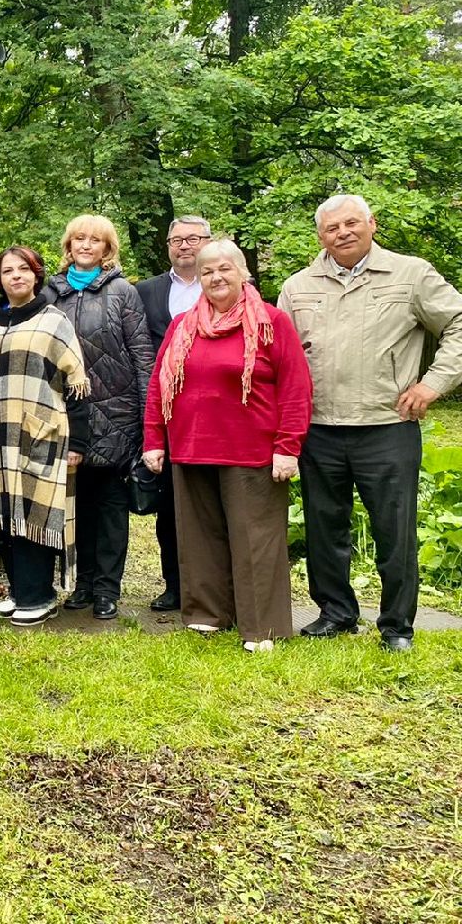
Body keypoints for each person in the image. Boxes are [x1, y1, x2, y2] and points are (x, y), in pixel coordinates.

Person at [279, 194, 462, 652]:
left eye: (350, 223)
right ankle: (336, 613)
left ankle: (397, 625)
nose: (342, 233)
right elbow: (278, 355)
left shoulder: (411, 275)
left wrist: (433, 384)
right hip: (319, 427)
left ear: (371, 223)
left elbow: (458, 321)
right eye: (331, 228)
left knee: (393, 529)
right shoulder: (298, 287)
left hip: (387, 424)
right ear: (319, 236)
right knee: (324, 526)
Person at [143, 240, 312, 651]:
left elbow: (296, 388)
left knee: (256, 541)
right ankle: (207, 613)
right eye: (207, 272)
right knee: (198, 537)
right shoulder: (182, 325)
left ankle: (262, 627)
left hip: (251, 451)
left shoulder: (271, 322)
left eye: (224, 269)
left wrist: (288, 446)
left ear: (243, 273)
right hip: (190, 447)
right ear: (198, 279)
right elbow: (158, 384)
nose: (216, 278)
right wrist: (154, 440)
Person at [0, 246, 91, 627]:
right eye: (7, 271)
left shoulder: (54, 321)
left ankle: (40, 595)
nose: (15, 276)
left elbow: (77, 385)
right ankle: (17, 591)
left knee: (34, 511)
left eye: (23, 270)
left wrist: (78, 444)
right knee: (0, 512)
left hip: (39, 434)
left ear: (36, 275)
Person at [42, 215, 154, 621]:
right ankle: (82, 583)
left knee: (109, 509)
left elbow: (142, 355)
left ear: (107, 250)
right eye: (79, 239)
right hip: (64, 417)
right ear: (68, 246)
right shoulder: (50, 294)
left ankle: (107, 589)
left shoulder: (123, 292)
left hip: (115, 415)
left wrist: (146, 421)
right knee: (76, 506)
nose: (86, 245)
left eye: (96, 241)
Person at [134, 216, 213, 612]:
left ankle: (216, 583)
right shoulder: (145, 291)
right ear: (167, 246)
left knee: (212, 502)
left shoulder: (225, 285)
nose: (185, 246)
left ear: (210, 242)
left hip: (214, 410)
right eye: (177, 240)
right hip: (165, 411)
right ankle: (175, 585)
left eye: (194, 239)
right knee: (169, 505)